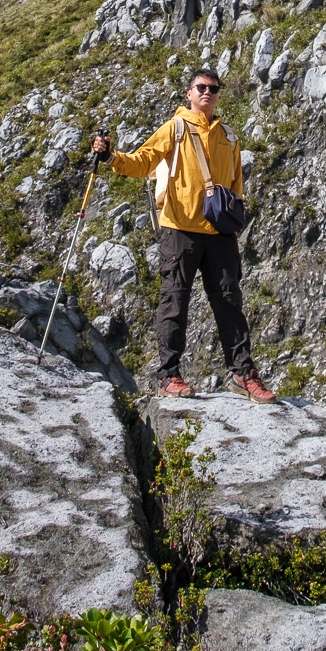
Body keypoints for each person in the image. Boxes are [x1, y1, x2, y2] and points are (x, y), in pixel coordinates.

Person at [92, 69, 277, 403]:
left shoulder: (229, 137)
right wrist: (110, 157)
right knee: (174, 301)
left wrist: (235, 219)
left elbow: (236, 184)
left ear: (219, 94)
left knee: (229, 302)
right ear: (189, 93)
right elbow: (142, 161)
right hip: (178, 229)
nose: (207, 92)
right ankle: (168, 375)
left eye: (213, 88)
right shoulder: (175, 128)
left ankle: (243, 374)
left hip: (219, 232)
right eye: (201, 87)